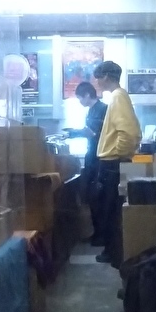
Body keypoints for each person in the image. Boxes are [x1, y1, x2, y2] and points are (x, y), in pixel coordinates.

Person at [92, 60, 142, 264]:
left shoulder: (117, 97)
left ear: (105, 77)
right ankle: (112, 252)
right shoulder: (119, 96)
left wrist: (119, 154)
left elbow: (128, 133)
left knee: (111, 211)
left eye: (98, 77)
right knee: (112, 209)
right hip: (115, 162)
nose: (96, 81)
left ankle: (114, 254)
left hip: (113, 163)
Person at [66, 82, 108, 245]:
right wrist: (73, 133)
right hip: (92, 155)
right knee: (90, 196)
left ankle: (101, 235)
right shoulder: (91, 111)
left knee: (98, 196)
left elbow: (103, 134)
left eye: (80, 98)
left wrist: (90, 134)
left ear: (88, 95)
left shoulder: (104, 109)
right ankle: (96, 232)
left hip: (100, 157)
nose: (80, 101)